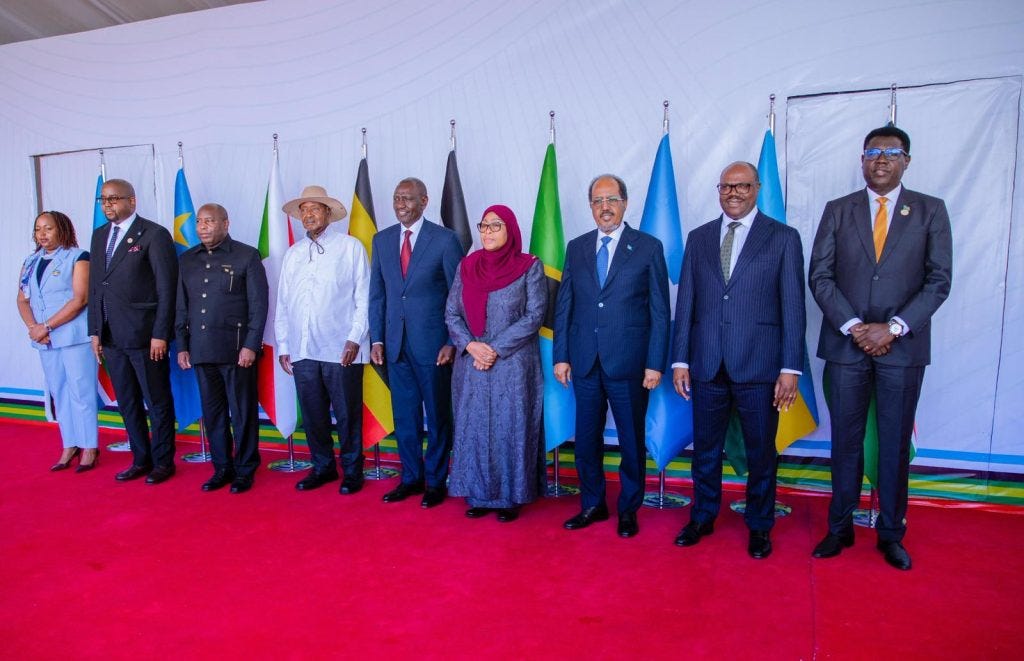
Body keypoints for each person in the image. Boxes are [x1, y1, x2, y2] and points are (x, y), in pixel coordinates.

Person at [808, 126, 952, 570]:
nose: (882, 159)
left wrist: (892, 328)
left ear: (907, 160)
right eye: (873, 152)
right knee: (845, 442)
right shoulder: (838, 210)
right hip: (846, 346)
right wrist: (856, 327)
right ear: (862, 160)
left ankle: (891, 533)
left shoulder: (930, 210)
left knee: (893, 443)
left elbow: (939, 280)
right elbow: (820, 275)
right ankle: (839, 528)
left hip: (902, 350)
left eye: (892, 152)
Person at [670, 162, 806, 559]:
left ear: (757, 188)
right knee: (706, 450)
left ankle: (760, 525)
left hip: (760, 366)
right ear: (719, 190)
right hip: (707, 363)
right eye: (727, 186)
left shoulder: (783, 238)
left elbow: (793, 306)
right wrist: (680, 360)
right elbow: (687, 302)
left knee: (761, 452)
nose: (734, 193)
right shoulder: (699, 238)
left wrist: (790, 368)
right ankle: (702, 516)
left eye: (742, 186)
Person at [553, 174, 670, 538]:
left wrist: (655, 363)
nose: (605, 207)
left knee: (631, 441)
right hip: (585, 362)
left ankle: (629, 509)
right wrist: (561, 355)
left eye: (612, 200)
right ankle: (593, 504)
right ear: (591, 206)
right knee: (586, 439)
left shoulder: (648, 247)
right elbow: (565, 305)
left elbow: (659, 311)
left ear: (625, 203)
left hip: (630, 364)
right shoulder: (576, 247)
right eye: (598, 201)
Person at [445, 205, 547, 522]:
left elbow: (534, 316)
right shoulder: (467, 266)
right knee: (474, 427)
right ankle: (478, 494)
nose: (487, 232)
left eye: (496, 225)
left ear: (510, 230)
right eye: (484, 226)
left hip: (513, 364)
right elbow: (452, 313)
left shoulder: (529, 266)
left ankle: (509, 496)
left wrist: (494, 349)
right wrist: (471, 345)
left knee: (510, 427)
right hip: (472, 364)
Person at [369, 178, 464, 508]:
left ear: (424, 201)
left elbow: (458, 294)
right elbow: (377, 294)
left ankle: (435, 481)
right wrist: (377, 338)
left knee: (438, 417)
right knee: (405, 418)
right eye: (397, 198)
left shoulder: (445, 240)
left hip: (434, 347)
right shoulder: (381, 240)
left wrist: (452, 340)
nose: (401, 204)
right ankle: (410, 478)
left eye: (408, 198)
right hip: (395, 345)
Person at [277, 185, 370, 495]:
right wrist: (284, 345)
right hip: (302, 349)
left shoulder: (350, 248)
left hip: (340, 348)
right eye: (303, 210)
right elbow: (283, 302)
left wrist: (355, 338)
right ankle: (322, 467)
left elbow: (364, 297)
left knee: (347, 415)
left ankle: (353, 471)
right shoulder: (293, 254)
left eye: (314, 208)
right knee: (313, 415)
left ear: (328, 213)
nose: (308, 215)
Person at [88, 179, 178, 484]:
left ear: (132, 201)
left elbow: (167, 289)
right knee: (127, 402)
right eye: (103, 199)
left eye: (114, 198)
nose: (108, 204)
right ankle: (140, 459)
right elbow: (96, 286)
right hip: (111, 336)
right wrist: (95, 331)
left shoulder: (154, 234)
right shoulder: (100, 235)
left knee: (157, 401)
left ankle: (163, 462)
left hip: (145, 336)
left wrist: (161, 333)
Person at [176, 203, 269, 494]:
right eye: (199, 222)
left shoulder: (246, 255)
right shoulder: (187, 260)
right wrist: (182, 345)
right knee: (213, 413)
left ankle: (245, 468)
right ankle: (222, 468)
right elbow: (182, 306)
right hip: (201, 349)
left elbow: (258, 305)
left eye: (209, 221)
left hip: (236, 350)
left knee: (242, 412)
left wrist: (251, 345)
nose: (202, 227)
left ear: (225, 224)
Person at [17, 211, 99, 472]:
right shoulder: (31, 261)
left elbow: (80, 299)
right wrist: (34, 328)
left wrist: (47, 325)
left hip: (73, 337)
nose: (42, 234)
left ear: (62, 229)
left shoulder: (78, 257)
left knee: (81, 391)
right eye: (38, 229)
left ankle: (89, 446)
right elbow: (22, 300)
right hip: (45, 340)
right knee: (59, 392)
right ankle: (70, 444)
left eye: (48, 228)